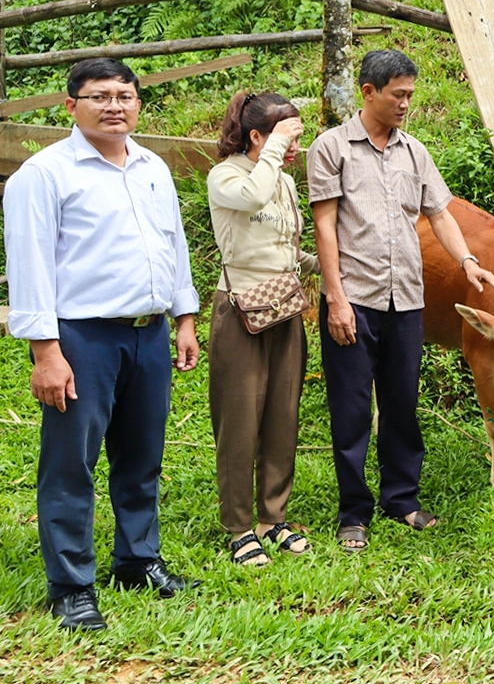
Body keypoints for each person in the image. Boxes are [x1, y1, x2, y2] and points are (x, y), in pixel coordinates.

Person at [3, 58, 201, 631]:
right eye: (99, 96)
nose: (115, 106)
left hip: (149, 334)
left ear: (138, 103)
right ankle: (71, 584)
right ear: (71, 106)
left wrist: (183, 317)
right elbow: (31, 266)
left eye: (125, 95)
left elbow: (174, 245)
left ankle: (138, 561)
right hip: (81, 338)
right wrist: (46, 351)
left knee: (141, 458)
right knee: (71, 463)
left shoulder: (152, 167)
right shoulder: (43, 174)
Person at [307, 49, 494, 552]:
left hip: (406, 301)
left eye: (411, 95)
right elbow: (325, 226)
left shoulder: (413, 151)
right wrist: (335, 298)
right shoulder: (332, 148)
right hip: (355, 297)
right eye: (398, 95)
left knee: (402, 404)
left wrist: (467, 262)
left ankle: (402, 499)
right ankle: (354, 512)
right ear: (369, 92)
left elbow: (440, 214)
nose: (406, 104)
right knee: (351, 409)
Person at [207, 91, 320, 567]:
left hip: (284, 307)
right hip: (239, 312)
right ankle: (237, 526)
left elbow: (285, 245)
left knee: (281, 416)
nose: (294, 147)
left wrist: (324, 266)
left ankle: (272, 518)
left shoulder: (285, 184)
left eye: (297, 136)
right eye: (286, 135)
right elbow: (252, 196)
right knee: (240, 422)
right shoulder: (227, 175)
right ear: (257, 136)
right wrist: (274, 151)